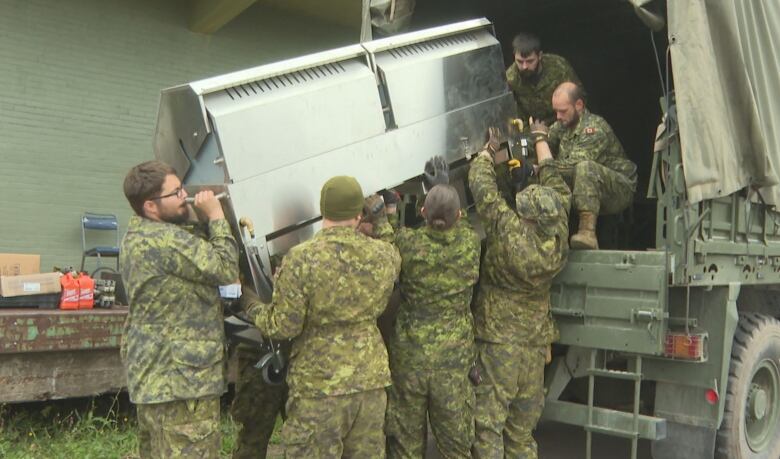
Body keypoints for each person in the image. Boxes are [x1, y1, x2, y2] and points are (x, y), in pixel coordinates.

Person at [241, 175, 401, 458]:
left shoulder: (301, 259)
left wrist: (252, 306)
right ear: (358, 213)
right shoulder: (385, 255)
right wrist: (381, 219)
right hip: (370, 383)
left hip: (319, 386)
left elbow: (282, 326)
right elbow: (392, 246)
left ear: (323, 211)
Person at [119, 160, 239, 458]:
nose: (184, 195)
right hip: (183, 385)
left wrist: (195, 216)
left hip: (156, 380)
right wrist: (215, 217)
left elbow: (190, 245)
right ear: (151, 206)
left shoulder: (139, 235)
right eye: (175, 193)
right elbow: (225, 267)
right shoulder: (166, 241)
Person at [469, 128, 571, 459]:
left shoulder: (508, 234)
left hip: (499, 344)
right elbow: (558, 191)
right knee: (521, 432)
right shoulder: (558, 240)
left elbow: (483, 190)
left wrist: (487, 154)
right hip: (534, 345)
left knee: (487, 424)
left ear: (525, 217)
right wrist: (540, 155)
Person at [375, 166, 481, 458]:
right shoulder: (469, 245)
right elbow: (462, 223)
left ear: (422, 212)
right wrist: (445, 187)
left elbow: (388, 238)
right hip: (453, 360)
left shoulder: (408, 245)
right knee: (455, 445)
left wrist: (389, 211)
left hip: (410, 358)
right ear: (458, 217)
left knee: (405, 442)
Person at [531, 81, 637, 249]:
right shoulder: (564, 125)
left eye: (563, 111)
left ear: (578, 105)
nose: (558, 116)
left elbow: (573, 165)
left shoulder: (594, 129)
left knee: (584, 167)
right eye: (556, 111)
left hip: (618, 188)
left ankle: (587, 233)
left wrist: (541, 166)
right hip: (589, 187)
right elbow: (544, 141)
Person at [505, 32, 582, 126]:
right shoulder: (511, 79)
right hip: (535, 127)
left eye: (530, 61)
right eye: (520, 61)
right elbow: (514, 116)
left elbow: (579, 98)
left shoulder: (558, 66)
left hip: (564, 121)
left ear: (540, 56)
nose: (524, 66)